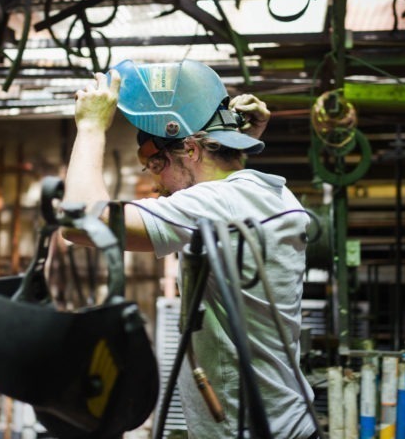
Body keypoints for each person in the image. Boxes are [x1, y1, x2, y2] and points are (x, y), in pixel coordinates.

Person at [62, 60, 318, 439]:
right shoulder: (268, 191)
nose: (157, 183)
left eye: (156, 163)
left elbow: (81, 221)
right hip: (285, 422)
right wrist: (234, 135)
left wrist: (90, 128)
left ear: (192, 150)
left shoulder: (218, 203)